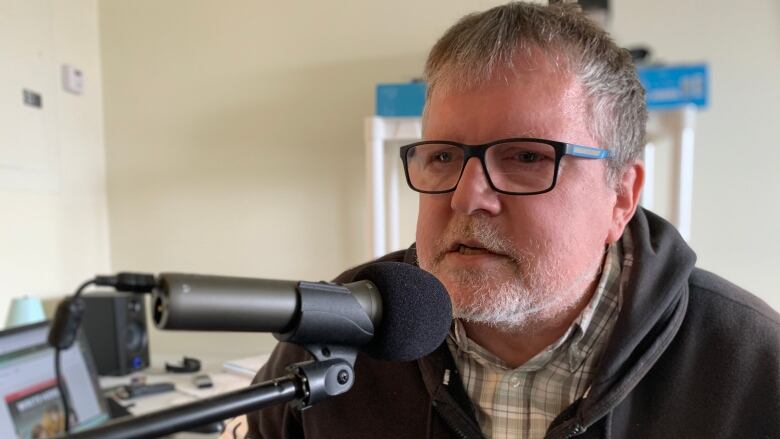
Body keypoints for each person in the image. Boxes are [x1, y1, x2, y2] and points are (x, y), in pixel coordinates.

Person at [236, 2, 780, 438]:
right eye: (444, 156)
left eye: (526, 158)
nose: (467, 198)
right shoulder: (335, 335)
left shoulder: (754, 369)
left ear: (621, 195)